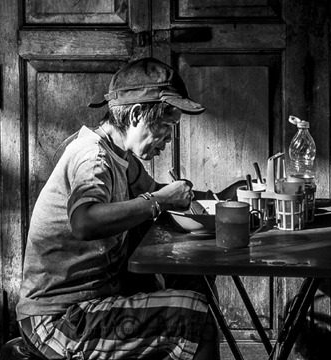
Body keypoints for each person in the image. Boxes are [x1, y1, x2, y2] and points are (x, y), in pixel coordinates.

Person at [16, 57, 221, 360]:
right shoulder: (92, 156)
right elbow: (84, 221)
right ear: (137, 114)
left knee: (196, 283)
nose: (168, 137)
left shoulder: (123, 160)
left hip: (94, 305)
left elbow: (159, 195)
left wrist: (224, 198)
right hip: (59, 320)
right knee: (197, 319)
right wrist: (160, 201)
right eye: (166, 125)